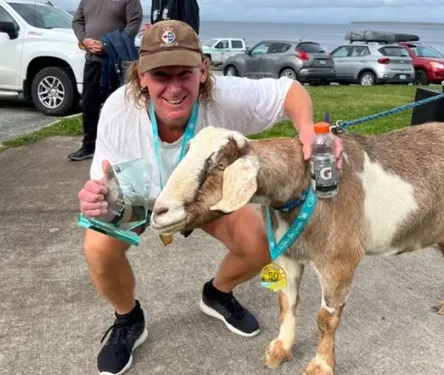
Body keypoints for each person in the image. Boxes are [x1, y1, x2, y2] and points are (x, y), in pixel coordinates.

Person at [78, 20, 343, 375]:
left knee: (261, 243)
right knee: (97, 245)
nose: (174, 88)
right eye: (161, 76)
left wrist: (308, 133)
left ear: (203, 70)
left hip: (206, 199)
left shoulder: (225, 95)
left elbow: (291, 92)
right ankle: (128, 319)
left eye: (183, 74)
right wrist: (97, 199)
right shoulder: (116, 111)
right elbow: (104, 187)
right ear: (141, 76)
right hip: (142, 196)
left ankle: (217, 293)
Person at [70, 0, 143, 162]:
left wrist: (108, 44)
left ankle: (119, 148)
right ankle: (89, 146)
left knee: (119, 106)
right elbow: (77, 21)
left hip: (116, 62)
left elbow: (134, 25)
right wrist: (85, 40)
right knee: (89, 103)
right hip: (92, 60)